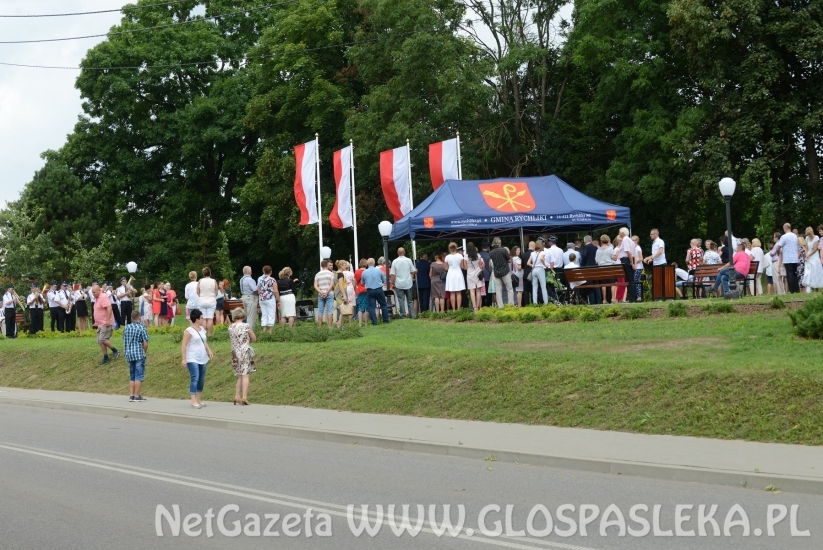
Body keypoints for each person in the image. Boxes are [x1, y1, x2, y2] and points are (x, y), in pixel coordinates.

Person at [181, 309, 213, 409]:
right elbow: (184, 345)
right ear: (197, 319)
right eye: (202, 318)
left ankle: (199, 399)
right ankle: (193, 399)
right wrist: (184, 358)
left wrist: (209, 350)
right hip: (192, 357)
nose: (203, 319)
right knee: (195, 377)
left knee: (201, 379)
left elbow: (204, 342)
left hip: (202, 357)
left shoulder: (202, 329)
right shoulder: (188, 331)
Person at [229, 307, 256, 406]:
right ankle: (244, 396)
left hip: (234, 352)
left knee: (239, 375)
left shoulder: (231, 327)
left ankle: (237, 395)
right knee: (245, 375)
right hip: (244, 351)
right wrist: (248, 341)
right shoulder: (246, 326)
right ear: (243, 315)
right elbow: (254, 338)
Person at [123, 310, 149, 403]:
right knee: (139, 375)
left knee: (132, 375)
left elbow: (124, 341)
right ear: (139, 317)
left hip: (129, 353)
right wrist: (144, 352)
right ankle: (137, 396)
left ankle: (132, 395)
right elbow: (145, 344)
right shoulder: (142, 328)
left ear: (131, 318)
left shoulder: (126, 328)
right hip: (138, 353)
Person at [92, 283, 119, 365]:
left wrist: (107, 320)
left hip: (105, 322)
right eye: (92, 292)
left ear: (99, 291)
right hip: (99, 323)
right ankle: (105, 357)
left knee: (102, 339)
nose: (93, 294)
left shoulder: (103, 296)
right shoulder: (97, 298)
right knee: (99, 341)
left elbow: (109, 307)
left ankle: (115, 351)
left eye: (94, 292)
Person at [389, 247, 417, 319]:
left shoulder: (395, 261)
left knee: (401, 300)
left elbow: (392, 274)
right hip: (408, 283)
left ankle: (403, 316)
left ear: (398, 253)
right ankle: (412, 315)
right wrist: (416, 271)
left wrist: (393, 283)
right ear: (404, 252)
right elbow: (413, 271)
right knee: (410, 300)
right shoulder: (408, 260)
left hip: (399, 284)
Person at [363, 258, 390, 325]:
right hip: (379, 289)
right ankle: (386, 320)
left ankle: (374, 322)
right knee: (383, 305)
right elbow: (383, 280)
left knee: (372, 307)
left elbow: (363, 282)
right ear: (374, 263)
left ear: (367, 264)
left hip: (370, 290)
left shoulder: (364, 272)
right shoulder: (379, 271)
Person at [775, 223, 800, 293]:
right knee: (795, 274)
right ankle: (796, 289)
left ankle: (792, 290)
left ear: (784, 228)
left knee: (790, 275)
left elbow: (778, 247)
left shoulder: (784, 237)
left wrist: (778, 253)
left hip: (787, 258)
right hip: (795, 258)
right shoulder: (795, 236)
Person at [489, 237, 513, 308]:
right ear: (499, 243)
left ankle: (500, 306)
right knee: (509, 289)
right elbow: (509, 260)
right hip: (505, 271)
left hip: (496, 273)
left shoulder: (491, 252)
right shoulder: (503, 250)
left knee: (498, 290)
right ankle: (510, 305)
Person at [196, 267, 219, 335]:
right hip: (211, 300)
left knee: (203, 318)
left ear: (203, 273)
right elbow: (216, 292)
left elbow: (197, 291)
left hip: (202, 300)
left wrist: (202, 296)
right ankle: (210, 334)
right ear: (210, 273)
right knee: (210, 318)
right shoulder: (213, 281)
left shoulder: (200, 281)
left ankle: (203, 333)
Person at [444, 242, 466, 311]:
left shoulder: (447, 257)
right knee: (459, 292)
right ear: (456, 248)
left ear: (449, 248)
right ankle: (459, 308)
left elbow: (446, 268)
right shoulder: (460, 256)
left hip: (450, 274)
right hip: (458, 274)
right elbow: (462, 266)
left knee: (452, 292)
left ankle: (453, 309)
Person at [314, 260, 335, 329]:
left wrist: (321, 292)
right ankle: (329, 327)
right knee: (330, 310)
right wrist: (326, 292)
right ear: (326, 265)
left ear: (321, 266)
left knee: (320, 311)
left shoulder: (317, 274)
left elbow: (315, 285)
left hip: (321, 294)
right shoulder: (331, 274)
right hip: (329, 293)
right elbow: (332, 284)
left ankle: (319, 327)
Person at [463, 243, 485, 311]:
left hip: (470, 274)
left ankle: (474, 307)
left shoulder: (466, 257)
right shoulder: (478, 255)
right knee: (478, 290)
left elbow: (465, 267)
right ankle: (478, 306)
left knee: (472, 291)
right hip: (478, 274)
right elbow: (479, 265)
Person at [528, 240, 550, 305]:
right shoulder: (542, 253)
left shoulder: (532, 253)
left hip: (534, 270)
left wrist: (534, 265)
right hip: (540, 269)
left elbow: (528, 263)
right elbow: (541, 258)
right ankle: (546, 303)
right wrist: (545, 265)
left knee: (534, 288)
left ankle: (535, 303)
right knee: (543, 287)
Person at [257, 265, 277, 333]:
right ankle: (270, 332)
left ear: (263, 271)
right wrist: (278, 300)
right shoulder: (272, 280)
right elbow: (276, 291)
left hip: (262, 299)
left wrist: (262, 294)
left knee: (264, 314)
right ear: (271, 271)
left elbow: (258, 290)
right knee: (271, 314)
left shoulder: (260, 280)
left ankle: (264, 331)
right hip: (270, 298)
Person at [353, 259, 369, 327]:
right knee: (367, 307)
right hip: (367, 290)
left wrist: (354, 290)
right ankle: (366, 323)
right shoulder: (368, 271)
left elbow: (355, 282)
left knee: (360, 307)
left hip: (360, 290)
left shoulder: (357, 272)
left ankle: (360, 323)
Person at [478, 241, 492, 307]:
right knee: (489, 292)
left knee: (481, 292)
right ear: (488, 247)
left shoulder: (478, 255)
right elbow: (490, 267)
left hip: (480, 276)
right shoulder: (489, 255)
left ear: (481, 247)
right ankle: (488, 305)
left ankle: (482, 304)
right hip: (488, 276)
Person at [631, 235, 644, 302]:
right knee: (635, 281)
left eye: (634, 240)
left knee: (636, 281)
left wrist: (635, 261)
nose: (632, 241)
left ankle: (639, 296)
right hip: (635, 266)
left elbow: (641, 258)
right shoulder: (633, 248)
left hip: (638, 267)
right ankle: (637, 296)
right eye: (632, 240)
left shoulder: (638, 248)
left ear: (637, 241)